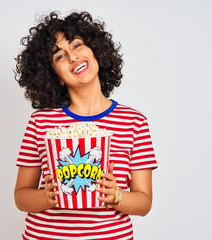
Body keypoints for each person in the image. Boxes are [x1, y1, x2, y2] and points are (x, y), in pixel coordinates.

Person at [14, 11, 157, 240]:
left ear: (95, 50)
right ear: (55, 76)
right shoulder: (41, 122)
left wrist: (116, 195)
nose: (72, 57)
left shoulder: (133, 121)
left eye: (77, 45)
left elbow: (144, 202)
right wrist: (46, 196)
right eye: (59, 56)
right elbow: (21, 197)